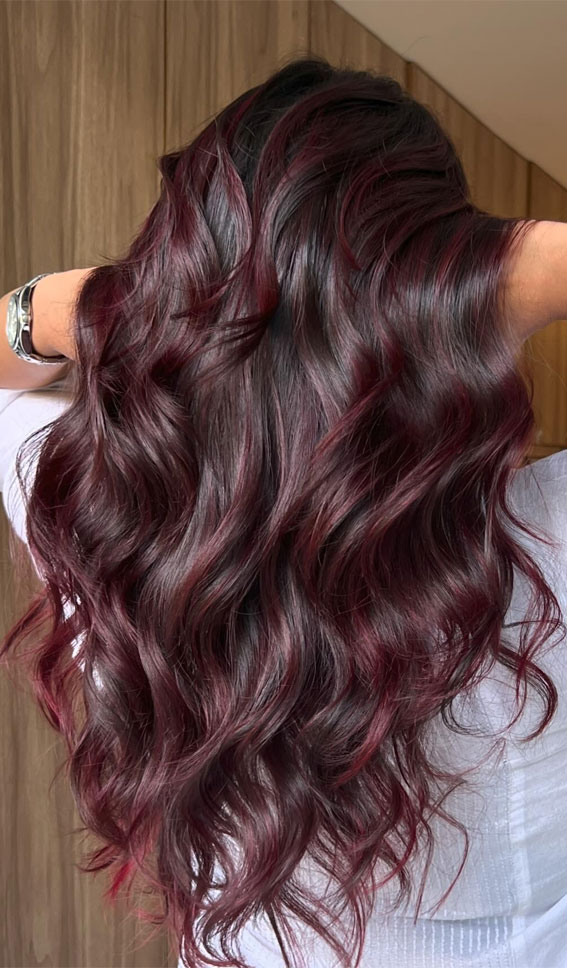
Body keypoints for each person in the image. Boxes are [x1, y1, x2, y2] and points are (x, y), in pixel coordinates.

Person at [2, 55, 567, 968]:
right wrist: (497, 275)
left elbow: (3, 359)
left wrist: (104, 303)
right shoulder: (546, 539)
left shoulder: (91, 508)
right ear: (446, 278)